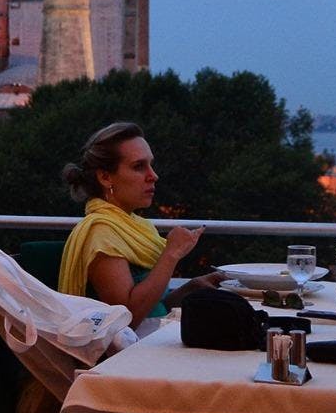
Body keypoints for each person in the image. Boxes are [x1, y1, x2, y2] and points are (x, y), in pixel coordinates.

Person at [57, 122, 224, 319]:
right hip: (132, 350)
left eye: (151, 165)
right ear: (105, 177)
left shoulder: (137, 226)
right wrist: (171, 254)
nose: (153, 176)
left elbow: (152, 308)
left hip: (150, 339)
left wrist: (191, 289)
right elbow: (127, 319)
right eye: (138, 166)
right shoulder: (101, 233)